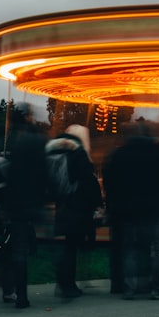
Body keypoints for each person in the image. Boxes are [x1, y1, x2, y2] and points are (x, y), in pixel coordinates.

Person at [103, 124, 159, 300]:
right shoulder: (157, 154)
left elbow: (110, 183)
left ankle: (129, 287)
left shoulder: (119, 155)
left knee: (130, 249)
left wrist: (114, 205)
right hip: (153, 208)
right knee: (157, 249)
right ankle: (158, 287)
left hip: (127, 209)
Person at [0, 105, 48, 308]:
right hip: (30, 199)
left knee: (11, 247)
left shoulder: (6, 141)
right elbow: (43, 170)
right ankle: (22, 293)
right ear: (27, 118)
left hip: (10, 201)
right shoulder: (35, 141)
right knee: (21, 249)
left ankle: (10, 289)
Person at [48, 124, 104, 299]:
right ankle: (68, 284)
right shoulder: (79, 154)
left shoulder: (53, 153)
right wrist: (97, 202)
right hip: (77, 207)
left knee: (65, 245)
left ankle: (62, 282)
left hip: (61, 205)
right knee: (71, 246)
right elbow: (88, 182)